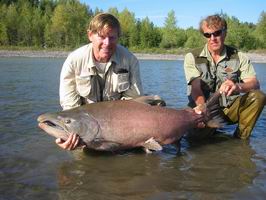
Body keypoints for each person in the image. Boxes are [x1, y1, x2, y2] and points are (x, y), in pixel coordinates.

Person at [56, 13, 143, 150]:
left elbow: (133, 103)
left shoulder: (130, 60)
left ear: (118, 38)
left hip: (120, 127)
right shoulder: (73, 61)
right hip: (85, 130)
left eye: (112, 37)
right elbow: (70, 110)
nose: (107, 43)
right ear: (90, 35)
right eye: (102, 37)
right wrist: (66, 135)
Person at [183, 14, 265, 139]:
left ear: (225, 33)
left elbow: (254, 83)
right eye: (207, 35)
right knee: (196, 142)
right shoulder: (192, 57)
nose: (212, 38)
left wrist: (238, 87)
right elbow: (195, 88)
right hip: (204, 110)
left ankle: (240, 139)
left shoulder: (238, 56)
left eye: (217, 33)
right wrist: (202, 108)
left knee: (258, 96)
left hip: (229, 110)